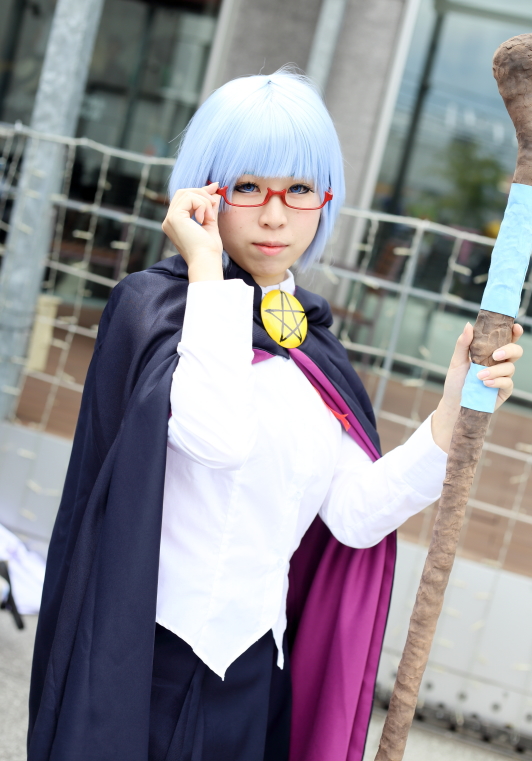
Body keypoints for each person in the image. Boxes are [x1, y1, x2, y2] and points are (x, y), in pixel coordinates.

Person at [28, 71, 523, 761]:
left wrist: (450, 411)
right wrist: (206, 269)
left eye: (298, 189)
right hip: (139, 664)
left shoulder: (314, 353)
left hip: (255, 676)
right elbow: (218, 438)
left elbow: (353, 514)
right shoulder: (155, 311)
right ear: (204, 192)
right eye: (247, 187)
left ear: (326, 201)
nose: (273, 216)